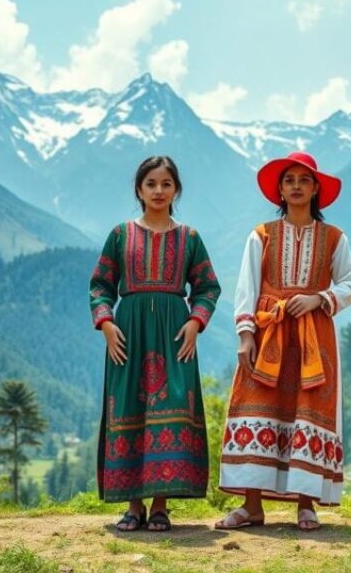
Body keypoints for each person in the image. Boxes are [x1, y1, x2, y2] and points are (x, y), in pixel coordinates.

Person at [215, 151, 351, 531]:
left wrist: (319, 298)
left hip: (315, 336)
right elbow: (246, 285)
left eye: (304, 180)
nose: (296, 186)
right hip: (268, 332)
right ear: (280, 189)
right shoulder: (261, 235)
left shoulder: (334, 238)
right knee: (258, 404)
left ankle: (306, 503)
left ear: (316, 189)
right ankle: (252, 505)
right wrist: (245, 334)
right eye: (290, 180)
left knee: (308, 409)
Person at [89, 156, 221, 531]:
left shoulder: (189, 238)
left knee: (173, 404)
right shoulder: (120, 235)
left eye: (166, 183)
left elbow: (208, 286)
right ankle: (134, 507)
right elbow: (100, 284)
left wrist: (196, 322)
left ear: (176, 189)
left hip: (175, 336)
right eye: (151, 184)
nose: (159, 191)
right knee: (128, 407)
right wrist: (107, 323)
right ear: (139, 189)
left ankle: (161, 505)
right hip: (127, 336)